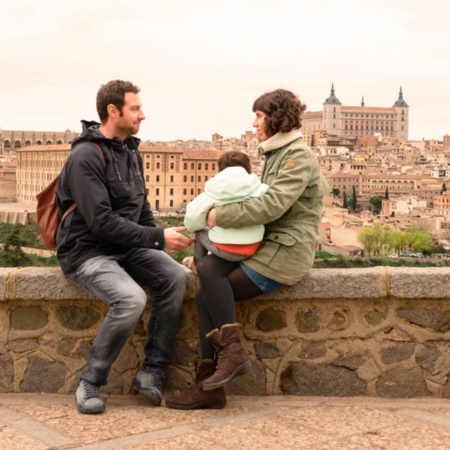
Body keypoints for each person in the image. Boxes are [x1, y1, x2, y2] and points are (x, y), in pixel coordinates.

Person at [165, 88, 330, 410]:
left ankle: (227, 362)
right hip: (269, 246)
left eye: (258, 115)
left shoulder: (296, 156)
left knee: (209, 276)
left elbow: (272, 205)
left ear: (275, 117)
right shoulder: (277, 153)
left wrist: (215, 217)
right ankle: (212, 382)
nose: (254, 123)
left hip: (285, 254)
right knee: (206, 286)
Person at [55, 80, 193, 414]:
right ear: (112, 111)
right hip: (87, 251)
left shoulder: (130, 152)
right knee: (131, 299)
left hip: (126, 247)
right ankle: (90, 379)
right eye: (135, 108)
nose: (142, 115)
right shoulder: (86, 155)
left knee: (175, 277)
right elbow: (100, 221)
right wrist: (157, 239)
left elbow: (141, 210)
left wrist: (156, 242)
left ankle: (152, 372)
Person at [182, 150, 269, 274]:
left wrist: (202, 223)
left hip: (227, 251)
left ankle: (196, 264)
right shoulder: (259, 188)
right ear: (248, 167)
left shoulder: (213, 191)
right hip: (253, 247)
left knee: (199, 232)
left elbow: (192, 221)